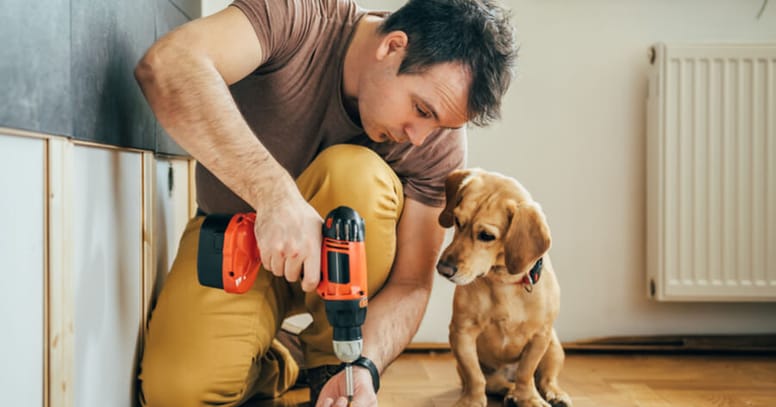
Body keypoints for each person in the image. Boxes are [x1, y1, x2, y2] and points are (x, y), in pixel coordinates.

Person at [134, 0, 517, 405]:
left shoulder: (436, 143)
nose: (420, 136)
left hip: (345, 290)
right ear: (392, 46)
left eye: (438, 124)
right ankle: (284, 357)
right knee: (177, 392)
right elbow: (168, 65)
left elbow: (410, 283)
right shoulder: (296, 14)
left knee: (354, 174)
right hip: (236, 236)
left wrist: (363, 364)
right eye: (421, 109)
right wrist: (275, 196)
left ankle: (330, 367)